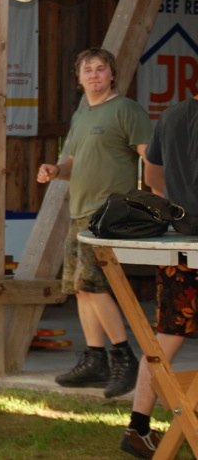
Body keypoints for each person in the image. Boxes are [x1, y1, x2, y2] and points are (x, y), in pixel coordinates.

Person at [37, 47, 152, 398]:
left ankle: (124, 358)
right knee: (81, 288)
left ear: (112, 74)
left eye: (101, 69)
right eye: (87, 70)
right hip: (79, 212)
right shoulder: (82, 114)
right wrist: (55, 170)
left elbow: (149, 157)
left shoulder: (127, 110)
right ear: (78, 78)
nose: (94, 75)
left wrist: (157, 199)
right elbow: (72, 163)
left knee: (94, 284)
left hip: (108, 213)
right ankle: (95, 359)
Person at [119, 93, 198, 458]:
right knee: (166, 336)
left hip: (181, 240)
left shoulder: (172, 116)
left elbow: (151, 176)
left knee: (166, 335)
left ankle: (138, 426)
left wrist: (181, 206)